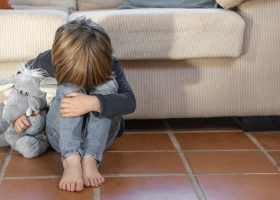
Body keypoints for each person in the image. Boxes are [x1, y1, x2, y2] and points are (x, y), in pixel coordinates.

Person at [13, 16, 136, 192]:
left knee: (107, 85)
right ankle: (71, 161)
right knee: (68, 87)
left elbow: (130, 102)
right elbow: (20, 88)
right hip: (60, 136)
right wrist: (20, 115)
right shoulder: (47, 60)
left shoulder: (111, 63)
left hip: (102, 139)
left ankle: (90, 159)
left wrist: (93, 102)